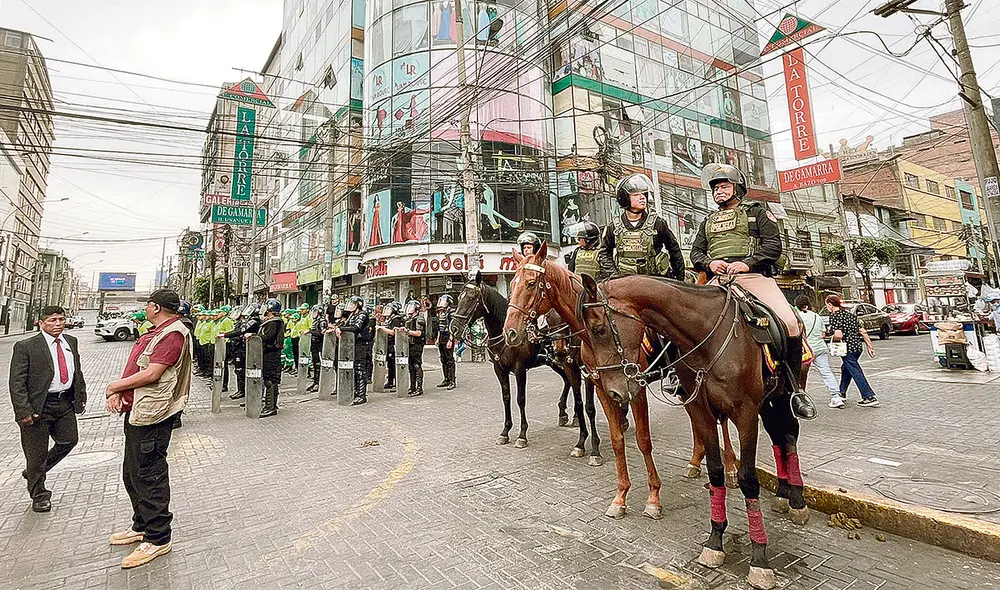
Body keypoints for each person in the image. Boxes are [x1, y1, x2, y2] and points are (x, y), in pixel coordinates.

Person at [690, 163, 817, 421]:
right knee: (686, 319)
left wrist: (747, 262)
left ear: (737, 188)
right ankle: (681, 378)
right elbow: (696, 253)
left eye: (724, 186)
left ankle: (795, 390)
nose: (718, 192)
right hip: (719, 280)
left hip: (753, 276)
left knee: (791, 322)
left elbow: (773, 247)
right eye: (715, 188)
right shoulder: (707, 221)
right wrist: (709, 263)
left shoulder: (757, 213)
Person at [104, 289, 191, 569]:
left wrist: (114, 386)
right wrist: (123, 391)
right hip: (139, 411)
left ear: (155, 307)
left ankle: (158, 537)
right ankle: (141, 525)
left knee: (149, 474)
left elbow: (153, 373)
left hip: (154, 415)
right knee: (132, 473)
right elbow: (137, 368)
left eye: (148, 306)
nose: (146, 310)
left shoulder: (173, 334)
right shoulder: (157, 330)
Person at [8, 305, 87, 513]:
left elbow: (76, 371)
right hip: (37, 407)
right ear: (41, 323)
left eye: (61, 319)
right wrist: (23, 411)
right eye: (52, 320)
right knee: (36, 454)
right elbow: (16, 382)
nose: (58, 324)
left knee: (69, 440)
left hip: (64, 403)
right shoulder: (26, 346)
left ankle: (34, 471)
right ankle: (39, 495)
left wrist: (81, 396)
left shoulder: (71, 342)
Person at [598, 173, 685, 280]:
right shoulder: (614, 227)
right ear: (624, 198)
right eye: (636, 195)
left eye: (644, 194)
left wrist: (679, 280)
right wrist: (615, 276)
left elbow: (674, 250)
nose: (642, 197)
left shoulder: (658, 223)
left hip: (655, 283)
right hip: (626, 284)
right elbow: (604, 253)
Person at [825, 294, 879, 407]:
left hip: (845, 348)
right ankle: (842, 392)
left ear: (830, 305)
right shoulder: (850, 315)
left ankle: (868, 396)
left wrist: (832, 339)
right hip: (857, 347)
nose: (827, 308)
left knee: (855, 370)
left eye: (827, 305)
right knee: (846, 368)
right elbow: (863, 331)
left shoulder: (835, 316)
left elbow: (838, 335)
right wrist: (870, 347)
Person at [794, 296, 842, 409]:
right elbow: (823, 334)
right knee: (826, 372)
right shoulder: (817, 316)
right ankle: (836, 396)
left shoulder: (797, 317)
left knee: (800, 375)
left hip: (805, 350)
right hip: (820, 347)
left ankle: (801, 397)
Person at [219, 303, 261, 400]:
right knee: (239, 370)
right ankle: (241, 390)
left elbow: (241, 331)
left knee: (242, 370)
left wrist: (226, 335)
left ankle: (243, 391)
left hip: (244, 349)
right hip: (240, 348)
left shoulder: (254, 321)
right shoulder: (249, 321)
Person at [336, 296, 374, 405]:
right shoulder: (352, 315)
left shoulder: (362, 314)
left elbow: (356, 328)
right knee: (353, 368)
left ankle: (362, 394)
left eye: (353, 304)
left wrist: (341, 329)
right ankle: (355, 391)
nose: (351, 306)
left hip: (361, 344)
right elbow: (346, 325)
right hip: (353, 344)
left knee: (359, 368)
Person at [257, 299, 285, 417]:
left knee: (270, 381)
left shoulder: (274, 322)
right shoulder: (271, 321)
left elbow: (268, 337)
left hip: (271, 354)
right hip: (269, 354)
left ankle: (271, 407)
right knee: (270, 379)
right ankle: (271, 405)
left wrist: (256, 336)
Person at [376, 301, 404, 390]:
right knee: (390, 364)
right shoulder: (389, 319)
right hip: (388, 343)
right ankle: (390, 381)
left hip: (394, 344)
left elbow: (393, 332)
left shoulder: (396, 319)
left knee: (393, 364)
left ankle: (396, 382)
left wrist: (382, 328)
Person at [404, 299, 426, 397]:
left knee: (417, 366)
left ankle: (419, 388)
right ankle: (412, 387)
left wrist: (407, 331)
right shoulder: (409, 319)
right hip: (410, 344)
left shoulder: (419, 319)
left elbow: (419, 333)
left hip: (417, 345)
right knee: (411, 367)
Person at [435, 294, 457, 390]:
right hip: (442, 337)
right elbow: (440, 327)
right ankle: (446, 378)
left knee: (449, 359)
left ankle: (452, 380)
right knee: (443, 359)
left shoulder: (451, 312)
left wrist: (451, 340)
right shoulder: (441, 312)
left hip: (448, 336)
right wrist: (437, 339)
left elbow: (452, 327)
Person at [306, 305, 328, 393]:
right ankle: (315, 381)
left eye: (315, 312)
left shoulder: (322, 321)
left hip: (320, 344)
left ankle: (319, 382)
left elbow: (322, 333)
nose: (313, 314)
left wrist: (311, 332)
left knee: (319, 364)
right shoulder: (315, 321)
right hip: (314, 344)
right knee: (315, 363)